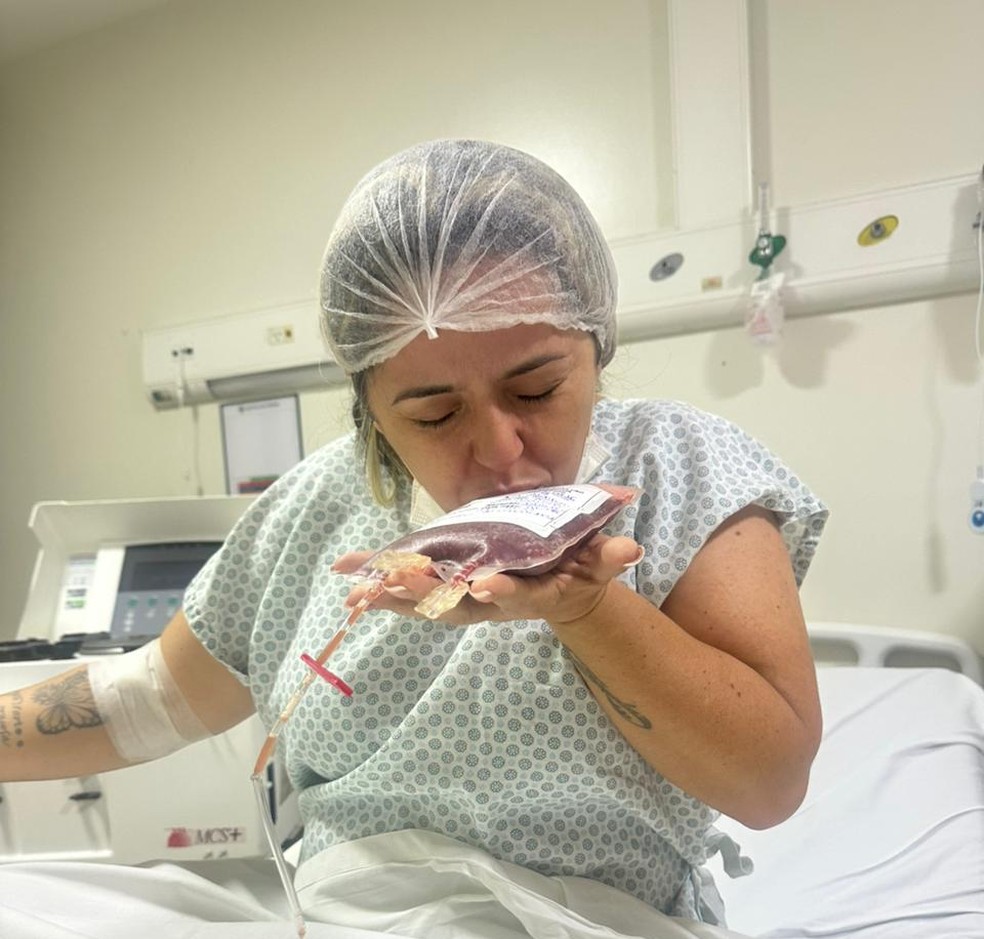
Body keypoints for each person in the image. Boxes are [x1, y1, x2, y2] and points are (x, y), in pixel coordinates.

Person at [0, 139, 827, 938]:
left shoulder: (681, 468)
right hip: (349, 913)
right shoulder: (317, 505)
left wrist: (587, 611)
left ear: (596, 348)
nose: (502, 449)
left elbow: (769, 782)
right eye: (434, 413)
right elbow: (145, 702)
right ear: (370, 408)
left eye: (537, 387)